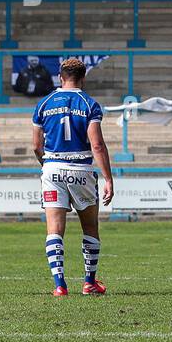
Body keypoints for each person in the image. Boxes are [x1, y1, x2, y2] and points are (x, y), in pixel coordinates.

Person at [32, 58, 114, 296]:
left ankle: (59, 285)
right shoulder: (89, 104)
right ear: (83, 78)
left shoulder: (43, 104)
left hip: (53, 169)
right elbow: (97, 145)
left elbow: (36, 145)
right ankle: (89, 282)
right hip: (82, 169)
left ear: (60, 76)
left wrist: (47, 164)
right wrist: (108, 178)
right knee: (90, 227)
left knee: (54, 230)